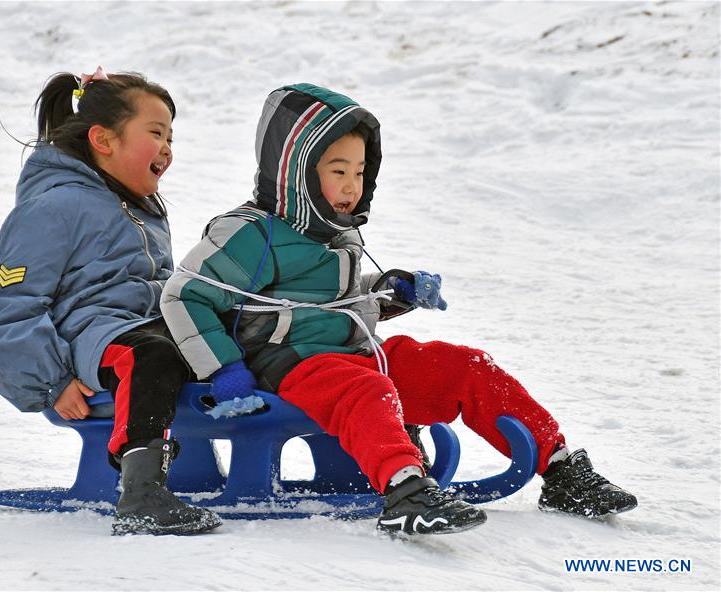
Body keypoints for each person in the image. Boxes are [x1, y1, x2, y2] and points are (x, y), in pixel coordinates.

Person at [160, 83, 637, 536]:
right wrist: (223, 368)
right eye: (338, 171)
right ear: (296, 172)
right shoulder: (249, 233)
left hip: (354, 353)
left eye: (359, 173)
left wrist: (390, 290)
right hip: (289, 363)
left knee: (464, 365)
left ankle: (559, 467)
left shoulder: (337, 229)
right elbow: (185, 295)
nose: (351, 186)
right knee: (367, 390)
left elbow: (339, 299)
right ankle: (406, 491)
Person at [0, 67, 221, 536]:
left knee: (226, 332)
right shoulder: (52, 208)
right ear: (104, 140)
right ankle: (141, 494)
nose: (167, 148)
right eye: (156, 133)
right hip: (91, 344)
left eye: (171, 137)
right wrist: (51, 381)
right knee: (149, 354)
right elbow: (14, 309)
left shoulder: (138, 208)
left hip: (146, 328)